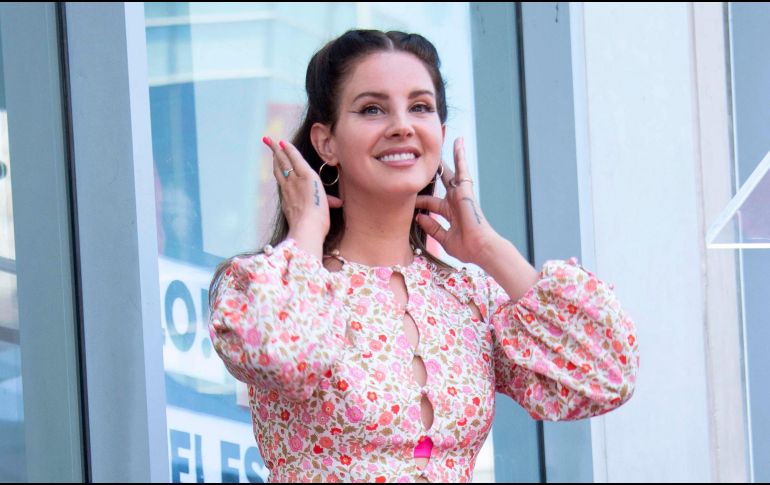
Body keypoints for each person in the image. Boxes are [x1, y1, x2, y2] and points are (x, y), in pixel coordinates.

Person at [208, 29, 639, 483]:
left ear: (441, 133)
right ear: (325, 141)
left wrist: (488, 249)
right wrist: (306, 231)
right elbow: (281, 357)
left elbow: (607, 372)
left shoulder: (468, 296)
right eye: (372, 108)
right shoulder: (273, 285)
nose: (402, 125)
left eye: (420, 107)